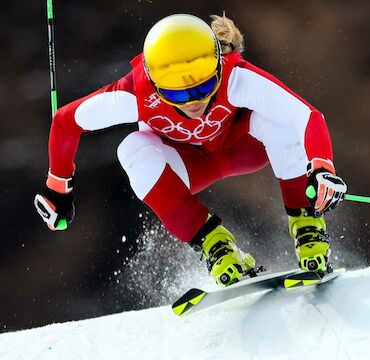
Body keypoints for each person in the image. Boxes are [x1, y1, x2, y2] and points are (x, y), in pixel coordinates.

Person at [34, 14, 347, 287]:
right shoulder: (133, 94)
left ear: (216, 67)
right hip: (187, 165)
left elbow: (307, 116)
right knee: (131, 147)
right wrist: (58, 187)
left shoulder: (235, 75)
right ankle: (216, 247)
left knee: (277, 118)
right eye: (176, 93)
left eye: (203, 87)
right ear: (155, 84)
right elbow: (65, 122)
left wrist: (321, 167)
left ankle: (308, 232)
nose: (193, 101)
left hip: (243, 149)